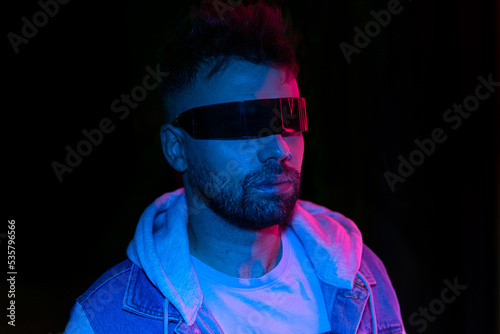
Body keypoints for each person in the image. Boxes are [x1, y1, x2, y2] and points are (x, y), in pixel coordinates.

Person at [64, 1, 405, 333]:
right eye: (241, 124)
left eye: (289, 118)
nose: (278, 148)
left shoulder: (362, 279)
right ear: (176, 147)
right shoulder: (105, 321)